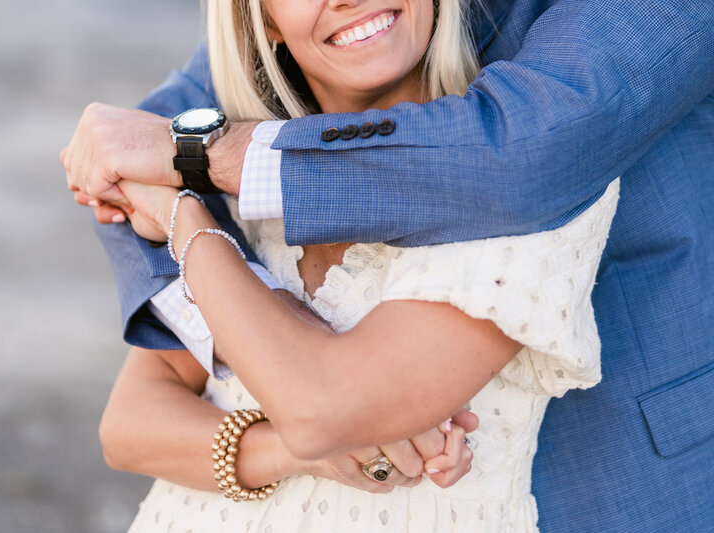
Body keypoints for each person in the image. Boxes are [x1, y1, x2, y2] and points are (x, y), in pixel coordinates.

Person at [61, 0, 714, 531]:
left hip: (614, 461)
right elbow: (142, 140)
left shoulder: (502, 200)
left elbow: (524, 156)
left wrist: (186, 207)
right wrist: (275, 388)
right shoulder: (272, 127)